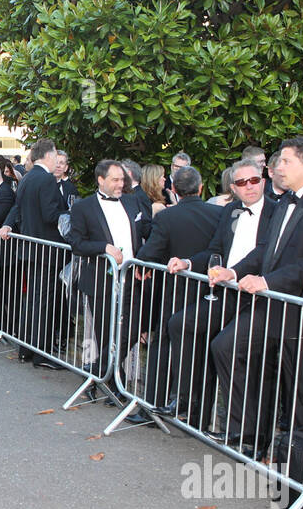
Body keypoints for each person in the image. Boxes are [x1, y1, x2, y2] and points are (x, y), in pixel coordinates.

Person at [207, 137, 303, 453]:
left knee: (300, 386)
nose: (277, 167)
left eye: (285, 161)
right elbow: (264, 249)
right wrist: (235, 271)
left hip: (301, 309)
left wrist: (268, 281)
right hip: (272, 304)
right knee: (227, 347)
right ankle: (248, 435)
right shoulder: (284, 200)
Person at [161, 159, 276, 424]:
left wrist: (233, 272)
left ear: (263, 181)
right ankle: (186, 399)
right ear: (233, 188)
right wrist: (187, 262)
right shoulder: (230, 211)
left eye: (254, 180)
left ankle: (239, 424)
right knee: (180, 323)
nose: (249, 187)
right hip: (226, 291)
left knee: (224, 346)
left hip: (259, 296)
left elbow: (265, 252)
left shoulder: (277, 211)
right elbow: (215, 250)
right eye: (241, 183)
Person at [133, 165, 219, 421]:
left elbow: (151, 253)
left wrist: (143, 263)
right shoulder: (219, 214)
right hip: (209, 292)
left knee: (163, 346)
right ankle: (199, 417)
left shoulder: (167, 217)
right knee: (203, 350)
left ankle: (152, 405)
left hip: (176, 291)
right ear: (201, 188)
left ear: (172, 190)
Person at [66, 160, 149, 380]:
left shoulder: (133, 202)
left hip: (132, 276)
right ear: (101, 180)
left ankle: (99, 368)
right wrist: (103, 247)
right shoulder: (84, 207)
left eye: (123, 179)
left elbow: (148, 230)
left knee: (133, 328)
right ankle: (112, 381)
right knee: (106, 333)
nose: (121, 184)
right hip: (100, 279)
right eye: (115, 180)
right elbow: (77, 243)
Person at [0, 139, 68, 369]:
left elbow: (20, 208)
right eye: (56, 154)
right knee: (42, 301)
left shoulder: (27, 177)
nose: (57, 159)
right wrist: (70, 214)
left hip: (32, 248)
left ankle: (27, 349)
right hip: (45, 248)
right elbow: (50, 215)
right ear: (48, 155)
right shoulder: (46, 179)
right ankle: (40, 353)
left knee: (33, 300)